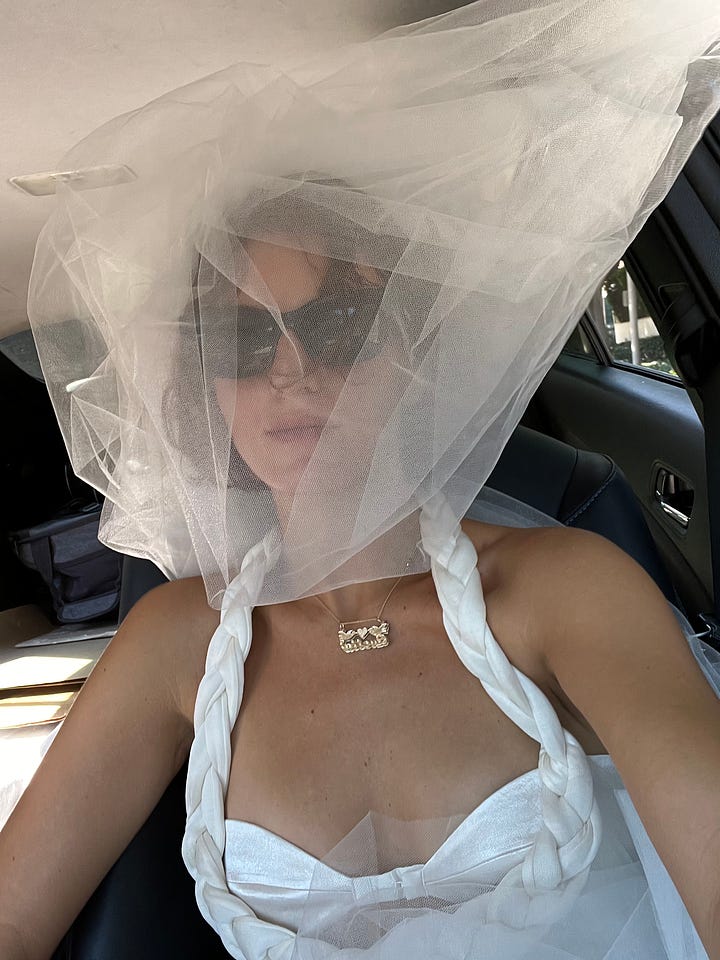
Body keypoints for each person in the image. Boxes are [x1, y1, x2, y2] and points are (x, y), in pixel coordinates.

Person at [3, 2, 720, 957]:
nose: (290, 370)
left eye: (337, 324)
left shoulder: (564, 592)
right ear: (204, 385)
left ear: (415, 352)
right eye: (244, 338)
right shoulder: (175, 642)